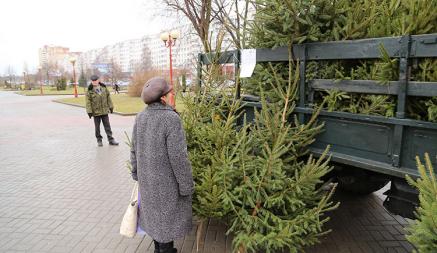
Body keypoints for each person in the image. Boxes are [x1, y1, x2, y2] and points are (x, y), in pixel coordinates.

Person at [130, 77, 194, 253]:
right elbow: (179, 158)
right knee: (165, 227)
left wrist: (136, 173)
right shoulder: (170, 119)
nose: (173, 95)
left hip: (148, 184)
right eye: (170, 93)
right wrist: (186, 186)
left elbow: (134, 149)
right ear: (163, 98)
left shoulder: (141, 116)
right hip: (168, 187)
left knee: (157, 226)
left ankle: (159, 250)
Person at [85, 75, 119, 147]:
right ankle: (99, 140)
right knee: (97, 128)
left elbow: (108, 98)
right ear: (91, 81)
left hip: (104, 111)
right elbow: (88, 102)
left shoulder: (104, 88)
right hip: (96, 112)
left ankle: (111, 140)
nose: (94, 82)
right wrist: (89, 111)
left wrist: (111, 106)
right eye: (93, 81)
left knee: (107, 126)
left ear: (98, 80)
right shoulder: (89, 90)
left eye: (95, 80)